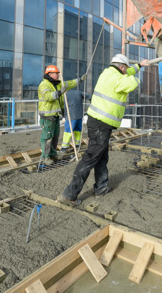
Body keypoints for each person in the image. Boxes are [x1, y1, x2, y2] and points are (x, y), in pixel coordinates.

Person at [58, 54, 149, 206]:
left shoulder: (108, 73)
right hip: (101, 124)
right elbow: (132, 83)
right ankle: (70, 194)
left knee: (101, 156)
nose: (127, 71)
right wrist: (138, 74)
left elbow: (126, 74)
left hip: (99, 123)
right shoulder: (119, 79)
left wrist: (139, 65)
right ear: (121, 67)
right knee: (91, 157)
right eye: (125, 69)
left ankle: (101, 187)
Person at [38, 65, 85, 165]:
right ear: (50, 74)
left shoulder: (58, 84)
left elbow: (70, 83)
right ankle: (46, 157)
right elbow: (47, 96)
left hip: (55, 116)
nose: (58, 75)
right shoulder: (44, 85)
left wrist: (80, 80)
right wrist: (59, 92)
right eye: (56, 73)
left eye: (58, 73)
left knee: (55, 136)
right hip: (47, 116)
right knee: (47, 137)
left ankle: (53, 153)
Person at [60, 87, 90, 153]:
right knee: (78, 130)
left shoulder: (65, 95)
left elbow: (63, 106)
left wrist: (63, 116)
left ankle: (64, 147)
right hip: (79, 115)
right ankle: (77, 145)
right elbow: (89, 96)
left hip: (71, 116)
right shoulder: (78, 93)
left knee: (68, 131)